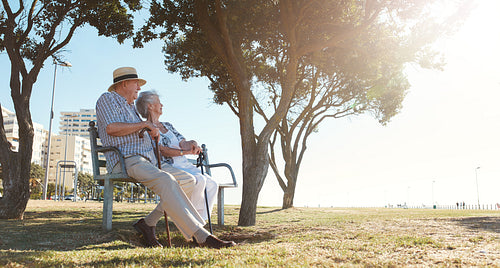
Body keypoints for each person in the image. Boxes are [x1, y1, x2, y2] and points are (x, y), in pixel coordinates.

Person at [95, 66, 235, 249]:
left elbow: (140, 130)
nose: (139, 87)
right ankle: (202, 235)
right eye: (136, 83)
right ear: (123, 84)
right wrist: (144, 124)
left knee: (187, 181)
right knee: (167, 180)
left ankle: (148, 223)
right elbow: (111, 128)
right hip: (127, 158)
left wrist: (151, 134)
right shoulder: (108, 98)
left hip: (150, 160)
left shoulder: (131, 109)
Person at [135, 90, 218, 222]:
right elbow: (161, 150)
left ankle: (201, 220)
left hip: (183, 163)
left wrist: (193, 145)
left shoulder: (168, 125)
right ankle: (194, 221)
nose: (162, 105)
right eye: (159, 102)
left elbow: (183, 142)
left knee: (212, 183)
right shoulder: (147, 128)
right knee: (199, 181)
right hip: (169, 165)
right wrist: (185, 152)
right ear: (150, 106)